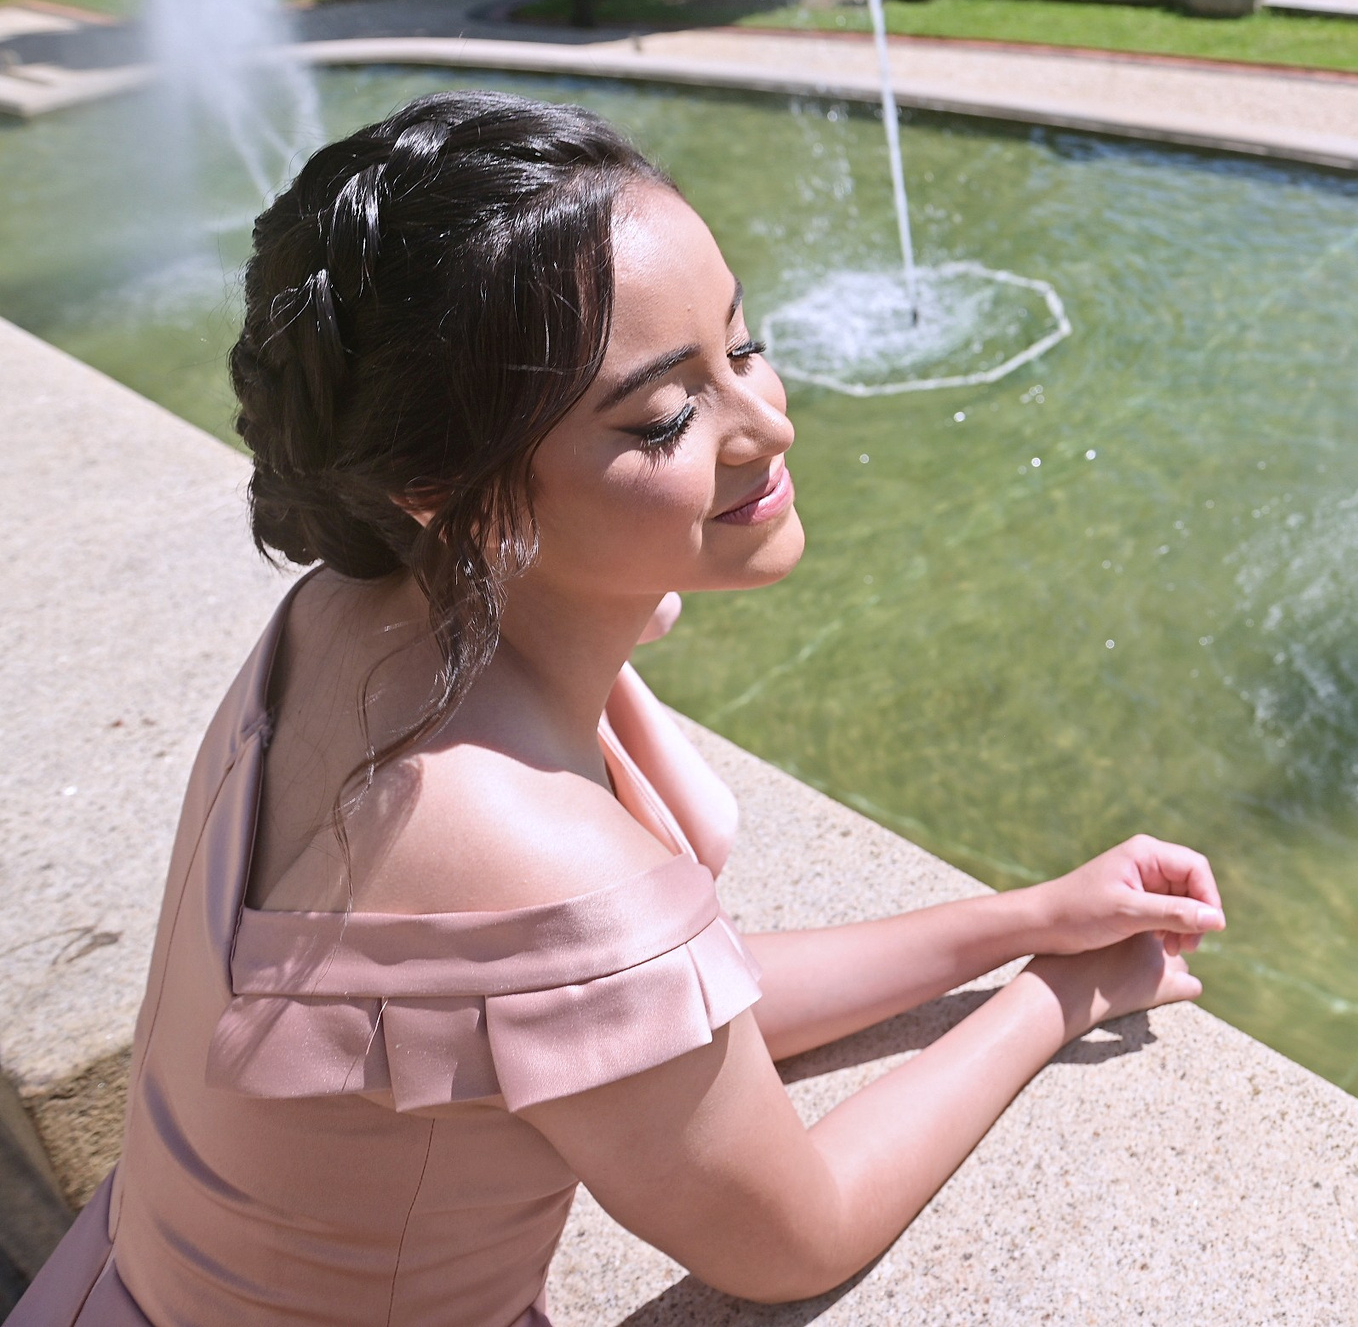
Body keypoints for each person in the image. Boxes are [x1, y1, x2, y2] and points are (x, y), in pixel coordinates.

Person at [14, 91, 1224, 1324]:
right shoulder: (505, 834)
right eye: (664, 416)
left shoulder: (343, 620)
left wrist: (1024, 918)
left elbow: (636, 1021)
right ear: (438, 483)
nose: (768, 421)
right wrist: (1059, 994)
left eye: (742, 345)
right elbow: (795, 1234)